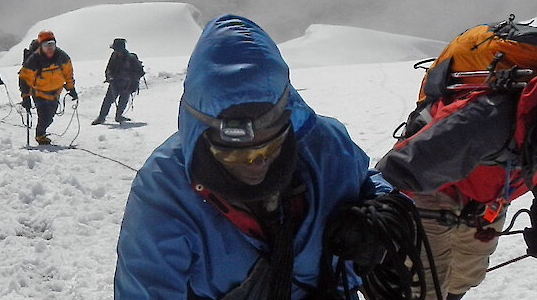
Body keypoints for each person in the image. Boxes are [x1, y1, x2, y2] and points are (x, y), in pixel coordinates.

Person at [115, 15, 393, 300]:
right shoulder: (164, 188)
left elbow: (366, 182)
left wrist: (385, 208)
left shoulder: (324, 146)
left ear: (288, 122)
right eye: (234, 152)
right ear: (202, 133)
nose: (256, 164)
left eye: (269, 148)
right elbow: (146, 289)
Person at [375, 63, 537, 300]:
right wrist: (375, 223)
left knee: (466, 276)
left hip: (489, 198)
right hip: (431, 186)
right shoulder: (483, 122)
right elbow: (398, 169)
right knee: (426, 286)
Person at [18, 30, 77, 145]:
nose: (49, 48)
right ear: (41, 47)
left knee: (50, 116)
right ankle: (40, 136)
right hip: (39, 93)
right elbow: (24, 79)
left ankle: (41, 132)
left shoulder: (62, 57)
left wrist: (71, 88)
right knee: (44, 116)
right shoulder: (34, 60)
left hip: (55, 92)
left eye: (52, 44)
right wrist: (26, 97)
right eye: (46, 45)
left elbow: (68, 73)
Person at [92, 38, 145, 125]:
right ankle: (101, 117)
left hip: (127, 84)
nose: (115, 51)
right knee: (108, 100)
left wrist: (130, 78)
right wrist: (109, 77)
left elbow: (140, 72)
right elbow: (109, 68)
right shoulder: (114, 55)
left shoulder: (131, 58)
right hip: (115, 82)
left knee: (123, 100)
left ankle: (119, 116)